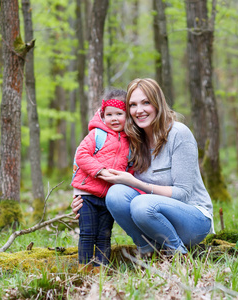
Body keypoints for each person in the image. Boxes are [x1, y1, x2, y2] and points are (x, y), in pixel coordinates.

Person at [71, 78, 214, 257]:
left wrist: (135, 183)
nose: (139, 110)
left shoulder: (179, 133)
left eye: (146, 102)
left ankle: (177, 254)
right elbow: (87, 160)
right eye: (133, 105)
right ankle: (149, 252)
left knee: (141, 203)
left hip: (193, 220)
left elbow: (183, 194)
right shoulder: (132, 141)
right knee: (115, 194)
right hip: (151, 218)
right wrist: (83, 198)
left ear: (158, 103)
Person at [71, 88, 130, 271]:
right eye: (109, 114)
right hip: (87, 193)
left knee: (104, 235)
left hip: (109, 196)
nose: (114, 119)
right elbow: (81, 155)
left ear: (127, 115)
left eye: (119, 114)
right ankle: (84, 269)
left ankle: (101, 270)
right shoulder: (97, 134)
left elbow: (131, 167)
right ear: (103, 115)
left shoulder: (131, 141)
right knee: (88, 233)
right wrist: (100, 171)